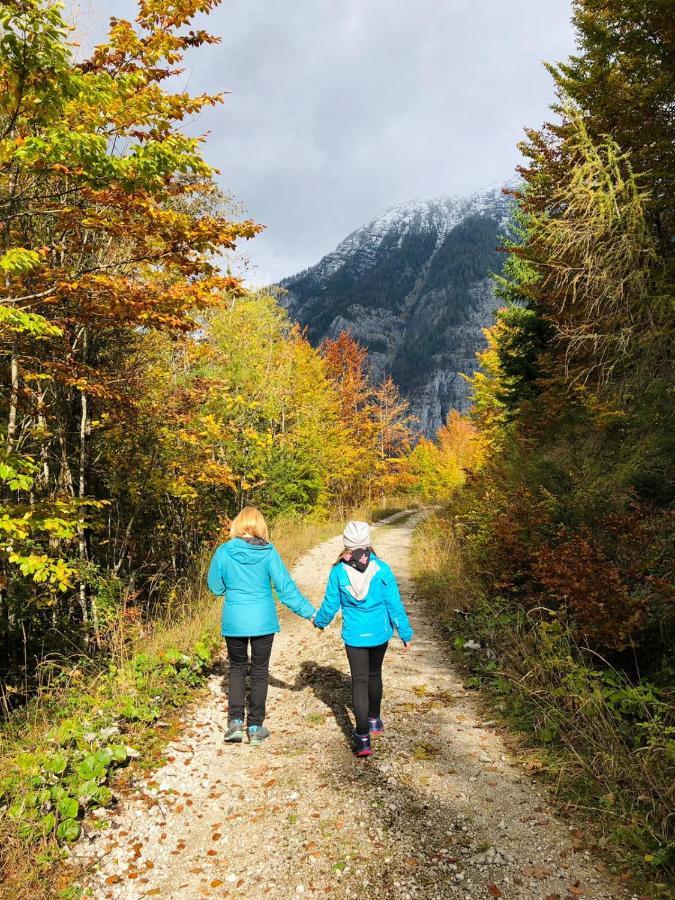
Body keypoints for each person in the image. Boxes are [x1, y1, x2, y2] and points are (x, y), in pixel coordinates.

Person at [207, 506, 316, 745]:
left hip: (234, 619)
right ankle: (255, 727)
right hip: (263, 621)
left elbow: (215, 587)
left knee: (236, 668)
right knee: (259, 671)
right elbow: (285, 589)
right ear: (260, 526)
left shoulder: (224, 552)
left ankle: (235, 723)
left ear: (237, 524)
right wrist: (310, 614)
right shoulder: (268, 552)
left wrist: (232, 590)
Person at [313, 520, 413, 757]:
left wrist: (320, 622)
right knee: (374, 674)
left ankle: (363, 737)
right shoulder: (382, 569)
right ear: (368, 541)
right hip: (379, 633)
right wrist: (405, 633)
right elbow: (394, 605)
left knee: (359, 681)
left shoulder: (338, 571)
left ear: (346, 543)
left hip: (355, 636)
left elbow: (330, 604)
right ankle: (375, 719)